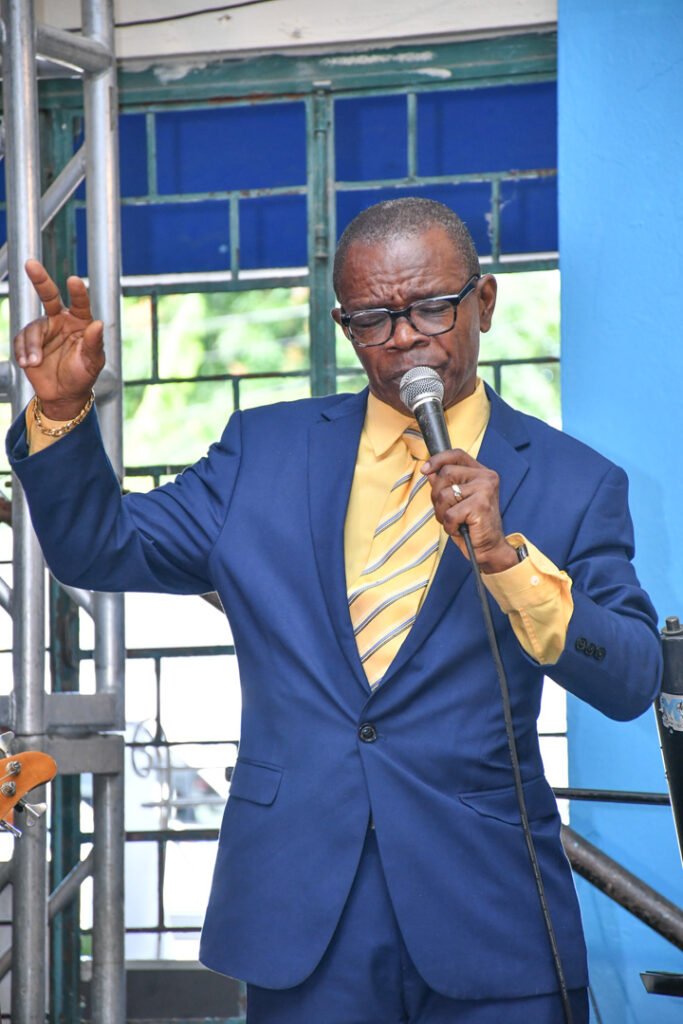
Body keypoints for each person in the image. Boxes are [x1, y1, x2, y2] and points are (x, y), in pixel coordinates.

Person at [7, 198, 661, 1024]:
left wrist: (507, 561)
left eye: (430, 308)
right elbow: (101, 547)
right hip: (299, 907)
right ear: (343, 326)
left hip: (490, 910)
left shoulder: (572, 481)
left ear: (483, 303)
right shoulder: (263, 452)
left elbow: (632, 676)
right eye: (372, 319)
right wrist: (63, 414)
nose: (405, 339)